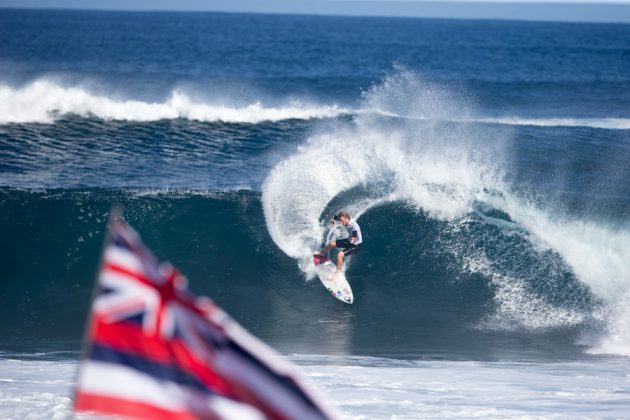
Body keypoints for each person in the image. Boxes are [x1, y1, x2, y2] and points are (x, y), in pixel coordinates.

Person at [317, 211, 362, 278]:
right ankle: (321, 254)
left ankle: (337, 273)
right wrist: (333, 220)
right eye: (340, 220)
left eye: (342, 221)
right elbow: (334, 217)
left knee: (340, 255)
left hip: (356, 245)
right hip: (349, 241)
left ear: (346, 218)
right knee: (332, 244)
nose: (341, 222)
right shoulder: (344, 219)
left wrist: (354, 237)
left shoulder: (353, 225)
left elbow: (354, 231)